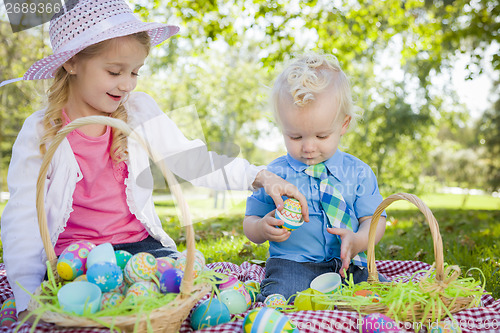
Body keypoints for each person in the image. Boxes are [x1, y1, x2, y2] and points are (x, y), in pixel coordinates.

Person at [0, 0, 310, 319]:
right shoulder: (42, 131)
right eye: (114, 71)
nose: (127, 84)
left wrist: (262, 177)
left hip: (140, 249)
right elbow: (23, 215)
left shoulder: (138, 111)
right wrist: (27, 294)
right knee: (91, 302)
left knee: (198, 283)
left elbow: (193, 160)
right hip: (77, 260)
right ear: (72, 62)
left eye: (135, 72)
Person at [243, 53, 387, 302]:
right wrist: (261, 228)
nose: (308, 147)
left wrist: (359, 240)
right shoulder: (275, 175)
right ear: (282, 127)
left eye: (321, 136)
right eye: (295, 137)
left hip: (349, 262)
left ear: (343, 124)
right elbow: (250, 221)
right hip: (294, 264)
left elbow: (374, 221)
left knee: (380, 294)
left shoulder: (359, 172)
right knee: (282, 295)